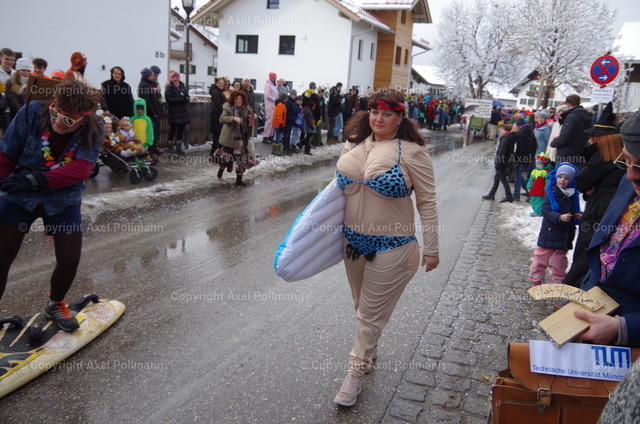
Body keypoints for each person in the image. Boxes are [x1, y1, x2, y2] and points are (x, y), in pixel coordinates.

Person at [333, 88, 439, 407]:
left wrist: (432, 247)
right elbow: (334, 194)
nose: (379, 119)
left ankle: (354, 374)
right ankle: (369, 348)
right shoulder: (353, 144)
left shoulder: (413, 152)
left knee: (369, 313)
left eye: (387, 114)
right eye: (375, 112)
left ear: (400, 117)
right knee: (361, 306)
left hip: (394, 244)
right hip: (353, 242)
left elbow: (427, 201)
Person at [0, 79, 102, 331]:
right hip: (19, 194)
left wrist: (38, 180)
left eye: (69, 119)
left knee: (69, 259)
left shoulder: (94, 127)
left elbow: (83, 167)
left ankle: (55, 304)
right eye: (56, 112)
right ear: (54, 103)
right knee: (2, 255)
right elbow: (7, 153)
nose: (59, 121)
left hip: (63, 198)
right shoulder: (31, 112)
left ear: (83, 118)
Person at [577, 110, 640, 347]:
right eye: (627, 161)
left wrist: (622, 327)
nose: (631, 174)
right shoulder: (628, 182)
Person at [563, 102, 625, 287]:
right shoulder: (620, 152)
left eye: (592, 137)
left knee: (585, 250)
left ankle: (572, 290)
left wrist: (591, 189)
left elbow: (581, 181)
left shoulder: (602, 153)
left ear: (600, 137)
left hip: (598, 210)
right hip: (613, 208)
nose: (589, 140)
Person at [528, 163, 580, 286]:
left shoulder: (572, 195)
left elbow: (572, 211)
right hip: (549, 232)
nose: (562, 180)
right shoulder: (552, 192)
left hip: (564, 235)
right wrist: (559, 217)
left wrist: (577, 216)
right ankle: (536, 281)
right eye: (560, 177)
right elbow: (546, 211)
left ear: (571, 180)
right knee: (541, 259)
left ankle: (557, 284)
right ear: (555, 177)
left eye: (566, 178)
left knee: (559, 262)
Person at [213, 90, 256, 187]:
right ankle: (221, 170)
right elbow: (222, 119)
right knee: (225, 159)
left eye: (241, 99)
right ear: (233, 99)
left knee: (242, 159)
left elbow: (251, 115)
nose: (239, 101)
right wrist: (233, 118)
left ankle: (239, 180)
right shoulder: (227, 107)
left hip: (242, 138)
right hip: (229, 138)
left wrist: (254, 116)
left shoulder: (246, 108)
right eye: (237, 99)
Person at [549, 94, 592, 166]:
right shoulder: (586, 116)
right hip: (580, 152)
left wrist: (554, 142)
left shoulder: (571, 117)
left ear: (568, 104)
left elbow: (565, 136)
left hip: (567, 154)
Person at [482, 124, 516, 202]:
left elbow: (501, 152)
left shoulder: (505, 139)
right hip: (505, 162)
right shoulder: (509, 138)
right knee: (496, 179)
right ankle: (491, 194)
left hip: (502, 163)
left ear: (505, 130)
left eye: (502, 130)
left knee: (503, 180)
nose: (501, 131)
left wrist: (498, 163)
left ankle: (509, 197)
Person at [511, 115, 537, 201]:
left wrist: (516, 160)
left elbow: (519, 148)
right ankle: (528, 192)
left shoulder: (519, 134)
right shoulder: (531, 131)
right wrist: (531, 156)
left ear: (517, 125)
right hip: (528, 157)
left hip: (520, 158)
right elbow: (535, 145)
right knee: (518, 174)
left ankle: (516, 195)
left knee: (518, 175)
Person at [164, 71, 190, 154]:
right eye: (174, 77)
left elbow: (187, 97)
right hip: (174, 112)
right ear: (171, 78)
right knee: (173, 129)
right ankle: (170, 147)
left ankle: (179, 147)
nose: (175, 79)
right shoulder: (169, 87)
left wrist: (186, 99)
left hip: (182, 112)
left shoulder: (183, 86)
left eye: (177, 77)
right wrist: (180, 100)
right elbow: (168, 99)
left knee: (181, 129)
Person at [138, 66, 162, 151]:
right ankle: (150, 151)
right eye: (151, 75)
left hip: (154, 111)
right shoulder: (144, 85)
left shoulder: (149, 84)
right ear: (147, 76)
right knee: (151, 132)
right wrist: (153, 113)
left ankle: (153, 149)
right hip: (151, 113)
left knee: (155, 132)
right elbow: (147, 101)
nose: (153, 76)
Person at [5, 58, 32, 123]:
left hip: (30, 115)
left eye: (28, 70)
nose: (26, 73)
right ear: (18, 71)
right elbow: (12, 100)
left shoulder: (33, 83)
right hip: (16, 115)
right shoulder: (11, 82)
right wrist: (23, 112)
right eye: (23, 70)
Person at [526, 152, 553, 216]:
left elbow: (548, 181)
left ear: (544, 164)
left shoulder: (546, 172)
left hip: (541, 190)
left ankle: (539, 212)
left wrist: (546, 189)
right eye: (536, 164)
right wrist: (529, 187)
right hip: (534, 189)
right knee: (533, 200)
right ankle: (535, 210)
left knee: (539, 202)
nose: (538, 166)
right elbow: (531, 180)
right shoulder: (534, 171)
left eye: (540, 164)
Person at [209, 76, 227, 154]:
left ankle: (215, 153)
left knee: (218, 136)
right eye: (220, 83)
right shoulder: (216, 91)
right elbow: (218, 105)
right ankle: (214, 153)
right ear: (216, 83)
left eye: (222, 83)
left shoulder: (219, 91)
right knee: (217, 137)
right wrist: (224, 113)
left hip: (218, 116)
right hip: (217, 117)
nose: (221, 84)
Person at [262, 72, 277, 143]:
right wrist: (275, 99)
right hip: (269, 105)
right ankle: (265, 136)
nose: (276, 77)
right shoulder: (268, 85)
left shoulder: (274, 85)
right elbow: (267, 95)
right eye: (275, 76)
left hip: (274, 105)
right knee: (269, 121)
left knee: (273, 121)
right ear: (272, 77)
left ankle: (271, 135)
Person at [271, 92, 287, 156]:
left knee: (279, 136)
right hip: (278, 124)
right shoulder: (281, 105)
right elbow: (279, 115)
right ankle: (275, 150)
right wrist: (280, 124)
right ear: (284, 98)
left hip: (278, 123)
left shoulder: (280, 104)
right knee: (278, 137)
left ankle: (278, 149)